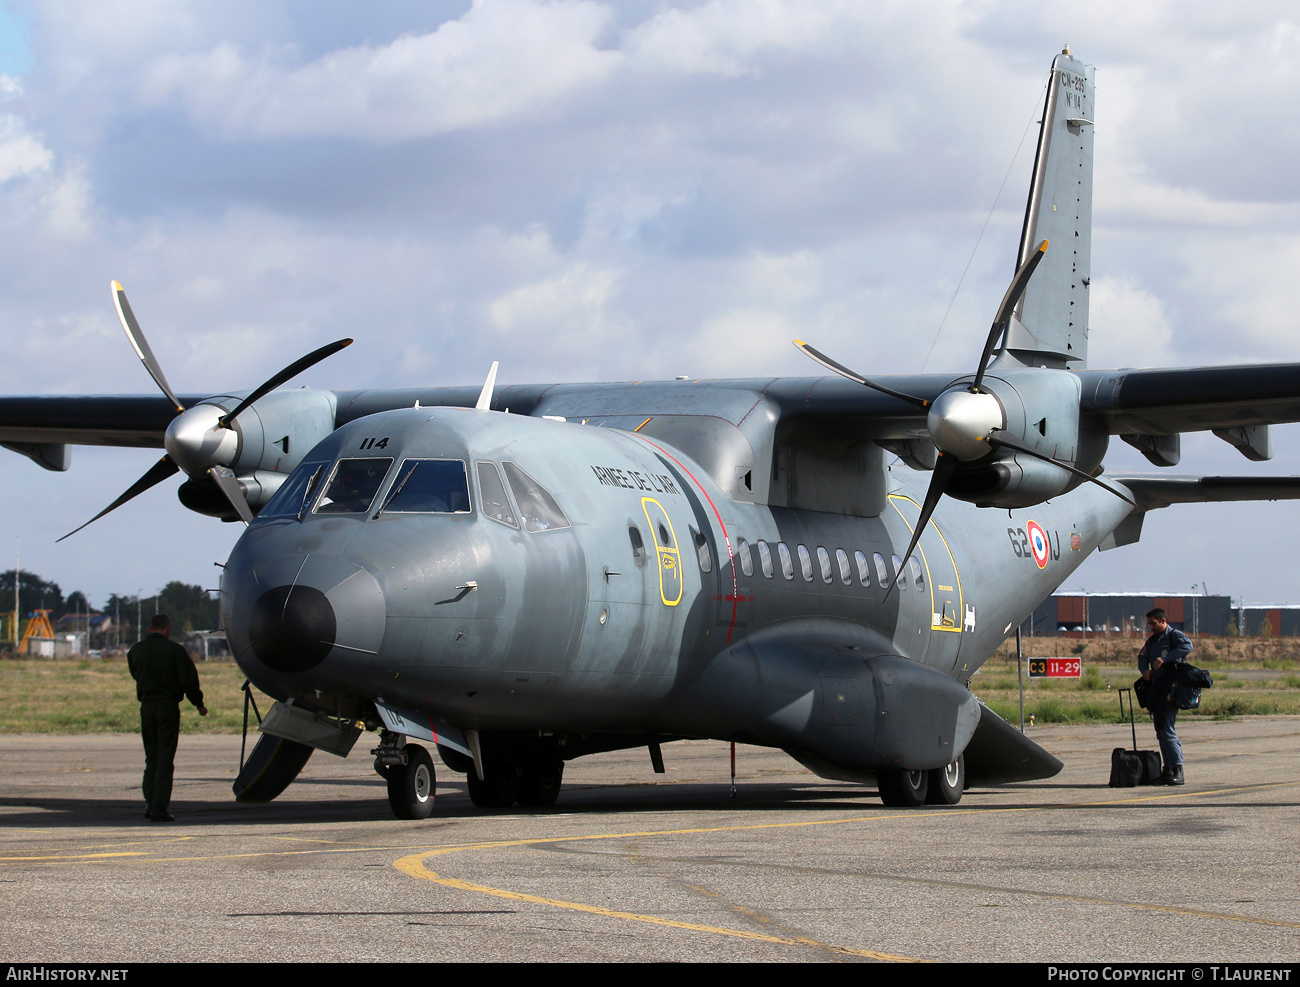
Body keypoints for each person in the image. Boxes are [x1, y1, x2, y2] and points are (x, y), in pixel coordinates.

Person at [127, 614, 207, 821]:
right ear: (168, 628)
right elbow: (189, 680)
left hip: (146, 707)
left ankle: (149, 801)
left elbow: (135, 673)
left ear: (149, 629)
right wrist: (198, 703)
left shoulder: (135, 650)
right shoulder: (175, 651)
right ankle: (159, 807)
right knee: (165, 758)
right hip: (167, 707)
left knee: (151, 757)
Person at [1137, 607, 1192, 785]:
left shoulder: (1174, 636)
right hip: (1157, 689)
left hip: (1171, 689)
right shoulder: (1153, 641)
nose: (1151, 627)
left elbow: (1187, 646)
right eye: (1149, 624)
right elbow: (1142, 656)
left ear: (1163, 621)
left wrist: (1166, 659)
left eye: (1154, 623)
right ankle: (1168, 769)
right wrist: (1144, 670)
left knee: (1167, 729)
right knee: (1161, 730)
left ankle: (1177, 768)